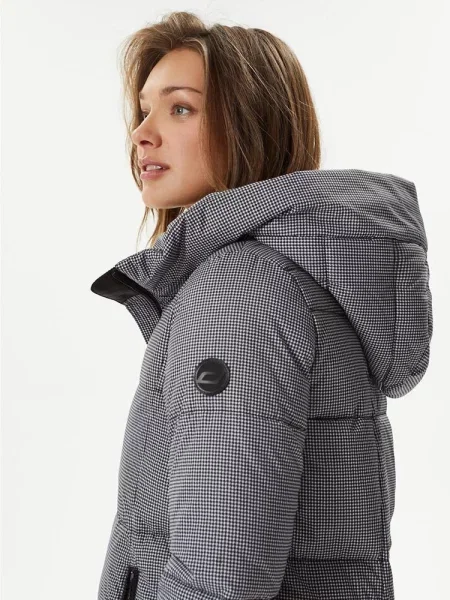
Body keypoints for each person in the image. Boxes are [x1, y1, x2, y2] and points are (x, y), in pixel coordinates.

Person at [90, 11, 433, 600]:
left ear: (250, 124)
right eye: (143, 110)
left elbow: (222, 577)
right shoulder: (291, 276)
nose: (142, 133)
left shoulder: (240, 291)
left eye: (180, 108)